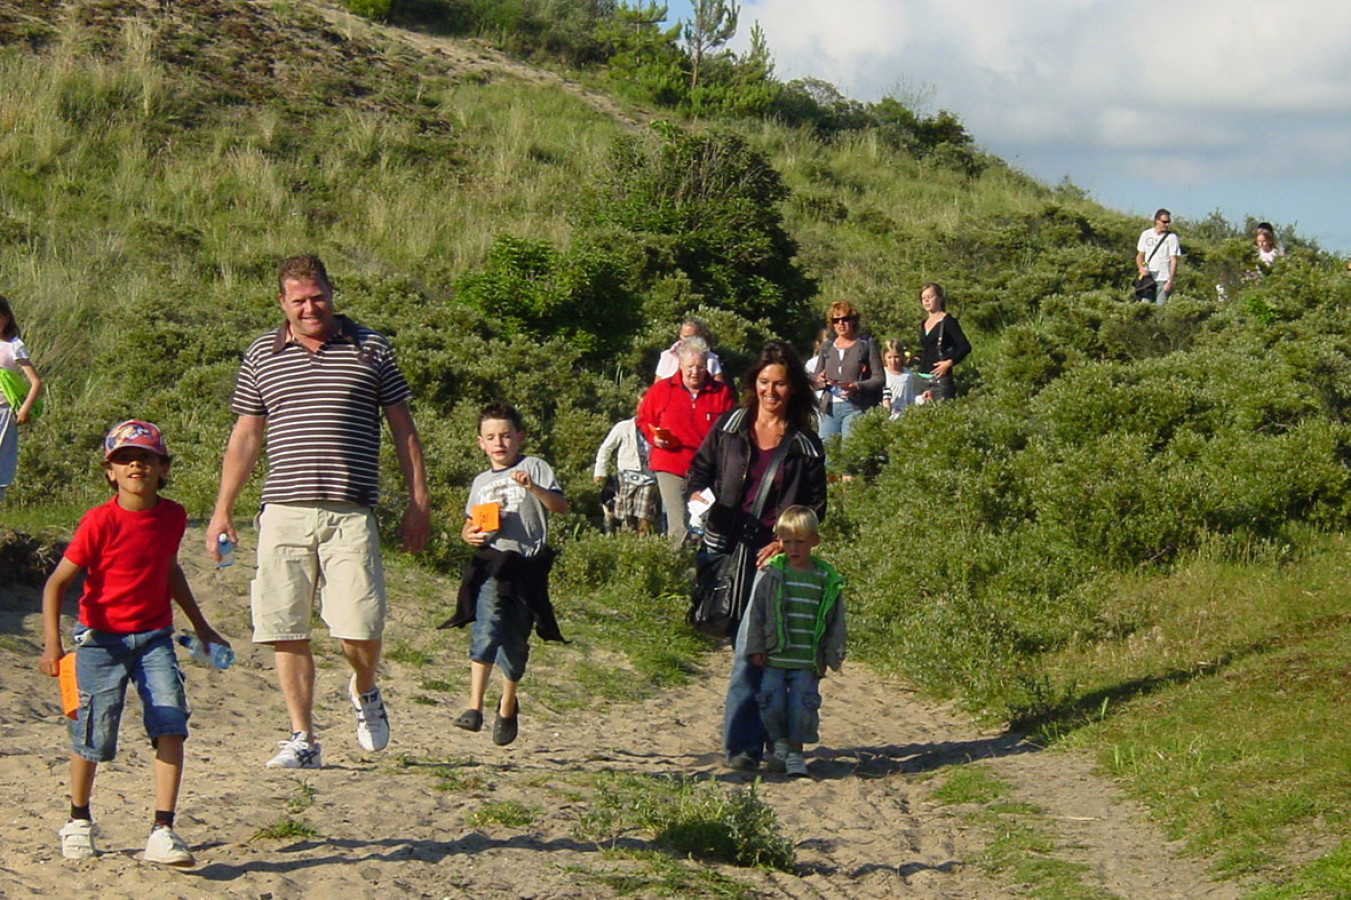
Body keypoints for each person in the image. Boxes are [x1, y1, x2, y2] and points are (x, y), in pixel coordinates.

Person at [205, 254, 431, 769]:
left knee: (361, 624)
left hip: (350, 509)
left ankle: (365, 688)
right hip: (283, 507)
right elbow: (246, 435)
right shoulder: (262, 353)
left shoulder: (371, 347)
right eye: (299, 300)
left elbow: (403, 428)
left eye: (318, 297)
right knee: (285, 626)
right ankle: (302, 737)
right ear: (282, 302)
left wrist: (418, 501)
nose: (310, 308)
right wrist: (223, 510)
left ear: (332, 293)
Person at [40, 420, 230, 866]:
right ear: (110, 472)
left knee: (170, 721)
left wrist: (202, 627)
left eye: (146, 457)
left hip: (154, 638)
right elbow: (56, 583)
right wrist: (52, 645)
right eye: (124, 459)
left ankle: (163, 829)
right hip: (99, 641)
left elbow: (170, 570)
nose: (135, 466)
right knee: (92, 730)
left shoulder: (173, 516)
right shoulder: (99, 521)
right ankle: (78, 820)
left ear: (163, 468)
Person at [686, 341, 827, 771]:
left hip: (774, 559)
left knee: (758, 650)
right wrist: (697, 497)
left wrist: (785, 542)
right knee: (745, 648)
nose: (770, 391)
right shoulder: (729, 426)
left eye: (779, 383)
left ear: (793, 387)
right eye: (764, 382)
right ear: (754, 383)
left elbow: (816, 506)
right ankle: (758, 741)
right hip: (726, 551)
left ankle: (747, 746)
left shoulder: (806, 445)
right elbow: (698, 471)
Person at [447, 402, 568, 747]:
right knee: (487, 626)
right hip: (491, 562)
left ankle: (507, 703)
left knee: (515, 645)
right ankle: (474, 707)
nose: (499, 443)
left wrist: (533, 488)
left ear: (520, 437)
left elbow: (560, 506)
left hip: (528, 566)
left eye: (505, 435)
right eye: (490, 437)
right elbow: (470, 523)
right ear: (480, 443)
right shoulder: (481, 482)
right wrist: (468, 534)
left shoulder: (535, 467)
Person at [743, 505, 846, 778]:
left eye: (800, 542)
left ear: (815, 541)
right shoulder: (774, 574)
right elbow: (758, 613)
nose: (793, 548)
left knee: (802, 706)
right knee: (772, 702)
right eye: (786, 542)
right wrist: (756, 646)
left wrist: (830, 655)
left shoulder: (826, 579)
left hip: (807, 659)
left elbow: (835, 621)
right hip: (775, 656)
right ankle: (779, 745)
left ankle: (796, 754)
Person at [637, 337, 736, 544]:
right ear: (680, 365)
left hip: (707, 468)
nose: (695, 372)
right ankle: (677, 562)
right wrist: (654, 437)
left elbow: (731, 430)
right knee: (679, 525)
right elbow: (643, 420)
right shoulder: (661, 390)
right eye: (690, 367)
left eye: (700, 367)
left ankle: (699, 562)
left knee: (701, 523)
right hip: (670, 464)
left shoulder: (721, 393)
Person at [811, 301, 884, 443]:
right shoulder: (827, 347)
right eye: (836, 320)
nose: (840, 323)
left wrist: (857, 386)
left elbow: (879, 378)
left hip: (857, 407)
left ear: (853, 320)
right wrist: (818, 381)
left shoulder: (866, 344)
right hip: (829, 409)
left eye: (845, 319)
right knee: (828, 452)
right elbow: (814, 381)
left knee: (850, 451)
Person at [0, 294, 43, 504]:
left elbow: (35, 382)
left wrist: (24, 409)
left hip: (4, 411)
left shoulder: (13, 346)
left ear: (7, 318)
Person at [593, 406, 658, 535]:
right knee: (625, 515)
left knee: (645, 516)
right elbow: (606, 448)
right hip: (627, 475)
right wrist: (600, 471)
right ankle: (627, 539)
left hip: (649, 476)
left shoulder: (658, 428)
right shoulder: (624, 427)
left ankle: (643, 541)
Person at [917, 284, 972, 402]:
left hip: (940, 381)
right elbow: (927, 349)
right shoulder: (924, 323)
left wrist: (949, 363)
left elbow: (965, 347)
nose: (926, 301)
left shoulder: (948, 321)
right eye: (923, 298)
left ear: (940, 298)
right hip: (921, 379)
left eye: (930, 297)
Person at [654, 317, 727, 385]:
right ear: (680, 335)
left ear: (700, 336)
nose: (689, 340)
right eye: (685, 336)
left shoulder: (711, 358)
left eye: (693, 337)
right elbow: (657, 386)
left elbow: (719, 388)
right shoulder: (666, 356)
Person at [1135, 208, 1181, 303]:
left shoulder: (1172, 237)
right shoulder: (1146, 234)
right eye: (1164, 222)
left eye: (1168, 222)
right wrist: (1141, 268)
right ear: (1156, 220)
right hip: (1148, 278)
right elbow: (1140, 255)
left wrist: (1170, 281)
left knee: (1160, 306)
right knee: (1145, 304)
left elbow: (1174, 260)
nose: (1166, 224)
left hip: (1163, 278)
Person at [881, 338, 918, 416]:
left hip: (903, 415)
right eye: (889, 357)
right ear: (884, 357)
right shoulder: (882, 374)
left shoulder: (908, 375)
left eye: (896, 357)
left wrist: (922, 399)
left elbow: (911, 397)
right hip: (886, 415)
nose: (893, 361)